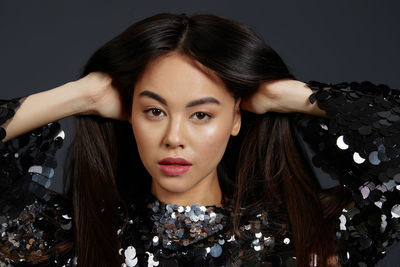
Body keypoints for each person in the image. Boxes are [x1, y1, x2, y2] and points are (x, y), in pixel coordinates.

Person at [0, 12, 399, 267]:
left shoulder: (311, 234)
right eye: (154, 111)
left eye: (202, 114)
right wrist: (79, 96)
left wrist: (288, 96)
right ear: (129, 116)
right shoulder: (67, 236)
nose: (174, 138)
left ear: (235, 118)